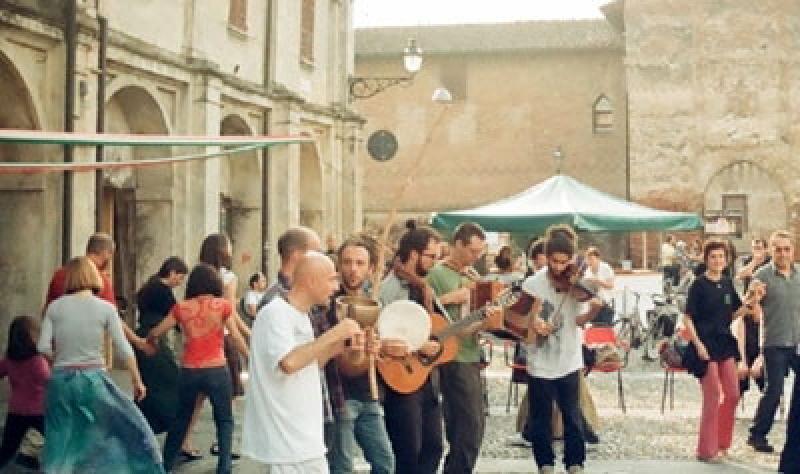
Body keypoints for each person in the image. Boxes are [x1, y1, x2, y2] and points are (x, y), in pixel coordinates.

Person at [37, 256, 163, 473]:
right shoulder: (105, 308)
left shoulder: (55, 308)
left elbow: (42, 347)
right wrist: (137, 380)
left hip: (60, 383)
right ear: (93, 276)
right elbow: (123, 348)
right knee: (106, 435)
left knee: (60, 441)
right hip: (93, 381)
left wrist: (57, 359)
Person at [242, 252, 364, 473]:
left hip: (305, 442)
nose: (336, 287)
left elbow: (310, 363)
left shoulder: (302, 316)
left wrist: (343, 347)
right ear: (311, 281)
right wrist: (334, 334)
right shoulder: (275, 313)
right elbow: (288, 362)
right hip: (283, 447)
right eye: (331, 279)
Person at [506, 225, 603, 474]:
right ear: (547, 258)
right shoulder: (534, 283)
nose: (559, 268)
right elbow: (514, 318)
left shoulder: (575, 284)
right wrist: (533, 323)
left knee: (572, 415)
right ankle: (545, 463)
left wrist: (593, 308)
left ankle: (575, 463)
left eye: (564, 262)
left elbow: (579, 320)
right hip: (540, 360)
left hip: (569, 358)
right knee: (540, 417)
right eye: (554, 262)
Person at [147, 263, 249, 474]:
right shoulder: (222, 306)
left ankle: (164, 465)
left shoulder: (181, 308)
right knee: (224, 419)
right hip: (217, 368)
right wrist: (251, 358)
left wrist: (150, 341)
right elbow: (236, 338)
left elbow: (157, 332)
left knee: (181, 418)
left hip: (190, 370)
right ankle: (224, 467)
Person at [426, 221, 503, 474]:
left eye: (480, 252)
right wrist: (452, 298)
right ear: (457, 244)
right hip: (450, 355)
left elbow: (480, 312)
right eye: (473, 251)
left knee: (469, 424)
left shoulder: (472, 275)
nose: (476, 256)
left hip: (471, 352)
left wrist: (489, 315)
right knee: (468, 424)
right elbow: (424, 308)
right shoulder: (437, 274)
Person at [379, 222, 445, 474]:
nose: (434, 263)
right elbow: (385, 337)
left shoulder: (425, 288)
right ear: (414, 254)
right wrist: (417, 347)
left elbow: (437, 331)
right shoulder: (390, 289)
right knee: (408, 452)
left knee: (434, 447)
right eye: (431, 256)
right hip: (402, 380)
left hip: (427, 378)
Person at [682, 239, 755, 462]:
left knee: (733, 394)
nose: (717, 260)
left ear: (727, 260)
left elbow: (733, 313)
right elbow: (687, 318)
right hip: (704, 345)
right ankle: (706, 450)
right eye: (713, 257)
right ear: (706, 260)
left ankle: (722, 443)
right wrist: (698, 345)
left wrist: (751, 302)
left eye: (721, 257)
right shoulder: (698, 285)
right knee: (712, 395)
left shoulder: (726, 283)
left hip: (724, 343)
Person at [327, 237, 395, 474]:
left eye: (359, 263)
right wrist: (363, 353)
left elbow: (381, 350)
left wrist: (382, 348)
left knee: (385, 464)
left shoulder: (374, 302)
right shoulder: (328, 304)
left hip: (368, 394)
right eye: (347, 262)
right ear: (338, 265)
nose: (353, 269)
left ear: (370, 269)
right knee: (341, 468)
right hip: (340, 396)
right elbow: (344, 363)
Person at [44, 232, 150, 353]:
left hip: (57, 346)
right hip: (85, 349)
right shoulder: (100, 281)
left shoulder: (59, 274)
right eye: (111, 254)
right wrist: (137, 341)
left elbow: (47, 311)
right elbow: (115, 321)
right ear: (106, 253)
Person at [134, 257, 196, 458]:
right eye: (179, 277)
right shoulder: (162, 290)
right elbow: (176, 317)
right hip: (154, 340)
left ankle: (142, 431)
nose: (180, 282)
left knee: (150, 387)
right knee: (172, 383)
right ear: (171, 272)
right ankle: (172, 430)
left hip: (146, 336)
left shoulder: (150, 285)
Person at [746, 230, 800, 453]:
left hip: (797, 342)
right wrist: (755, 299)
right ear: (771, 250)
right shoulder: (763, 276)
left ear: (793, 251)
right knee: (774, 390)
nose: (782, 254)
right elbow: (752, 308)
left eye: (786, 249)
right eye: (778, 249)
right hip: (774, 342)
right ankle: (757, 434)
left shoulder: (799, 275)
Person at [0, 316, 49, 470]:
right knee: (56, 440)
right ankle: (36, 460)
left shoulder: (9, 360)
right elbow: (48, 382)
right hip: (39, 411)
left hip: (16, 411)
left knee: (7, 449)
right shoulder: (38, 361)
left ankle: (28, 458)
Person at [733, 307, 764, 396]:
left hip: (764, 354)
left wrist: (760, 359)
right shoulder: (743, 319)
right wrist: (742, 362)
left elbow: (768, 343)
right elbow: (740, 344)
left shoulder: (767, 317)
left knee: (766, 378)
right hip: (747, 354)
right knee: (739, 375)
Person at [583, 246, 615, 326]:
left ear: (598, 259)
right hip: (593, 306)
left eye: (592, 259)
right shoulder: (587, 270)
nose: (590, 262)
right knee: (594, 331)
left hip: (606, 304)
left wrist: (597, 281)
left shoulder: (605, 268)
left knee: (605, 330)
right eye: (588, 259)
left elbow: (611, 285)